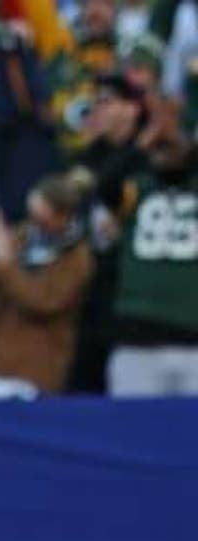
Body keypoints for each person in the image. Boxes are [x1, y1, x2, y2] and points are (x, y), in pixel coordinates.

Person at [0, 174, 93, 393]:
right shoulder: (21, 237)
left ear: (62, 215)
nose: (37, 224)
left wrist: (6, 265)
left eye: (43, 218)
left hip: (37, 368)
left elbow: (44, 301)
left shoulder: (77, 258)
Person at [102, 133, 198, 396]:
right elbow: (104, 185)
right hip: (136, 340)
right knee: (132, 433)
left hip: (193, 340)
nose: (164, 151)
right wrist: (142, 142)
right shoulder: (136, 189)